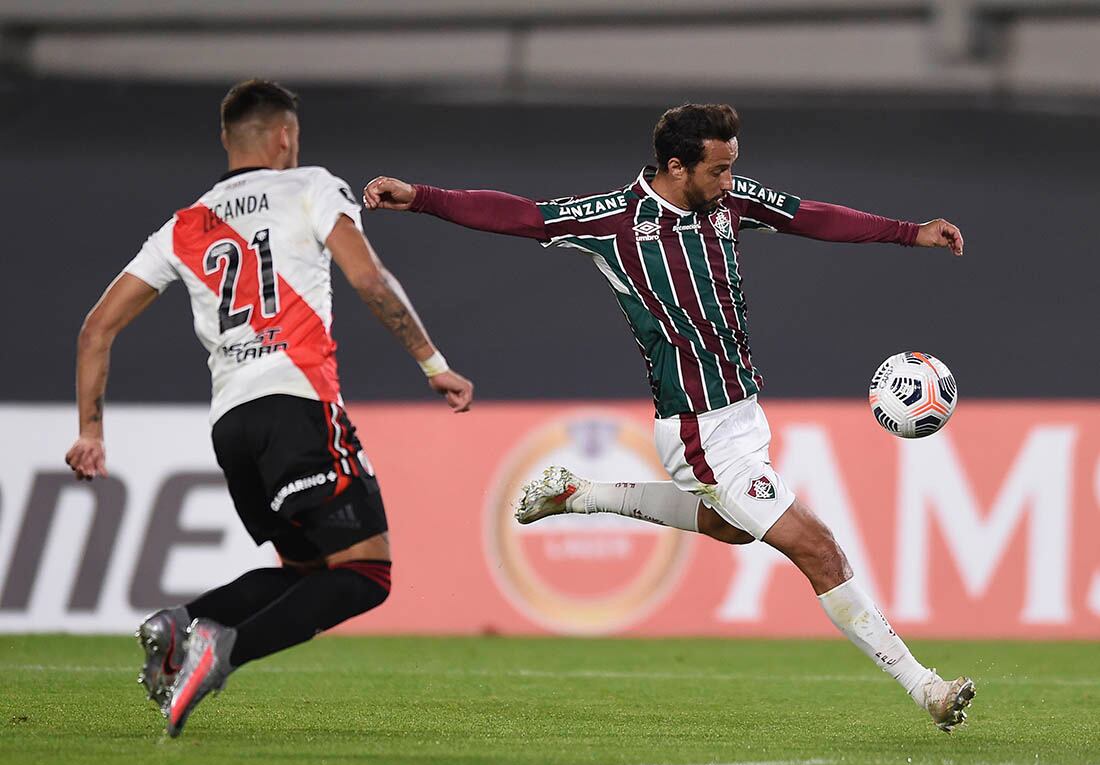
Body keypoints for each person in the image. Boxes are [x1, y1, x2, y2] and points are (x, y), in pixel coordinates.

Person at [363, 103, 974, 732]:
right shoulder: (614, 222)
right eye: (718, 170)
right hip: (699, 426)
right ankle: (924, 687)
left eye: (734, 168)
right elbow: (517, 214)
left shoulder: (728, 202)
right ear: (676, 167)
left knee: (734, 528)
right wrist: (420, 198)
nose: (730, 182)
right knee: (818, 549)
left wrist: (910, 232)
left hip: (743, 414)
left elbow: (811, 216)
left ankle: (580, 493)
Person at [64, 79, 473, 738]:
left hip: (233, 427)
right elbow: (369, 278)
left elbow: (95, 330)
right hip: (299, 404)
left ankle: (185, 622)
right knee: (366, 572)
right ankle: (217, 652)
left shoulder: (183, 225)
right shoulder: (311, 184)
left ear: (228, 140)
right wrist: (432, 363)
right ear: (285, 136)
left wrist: (90, 431)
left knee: (308, 571)